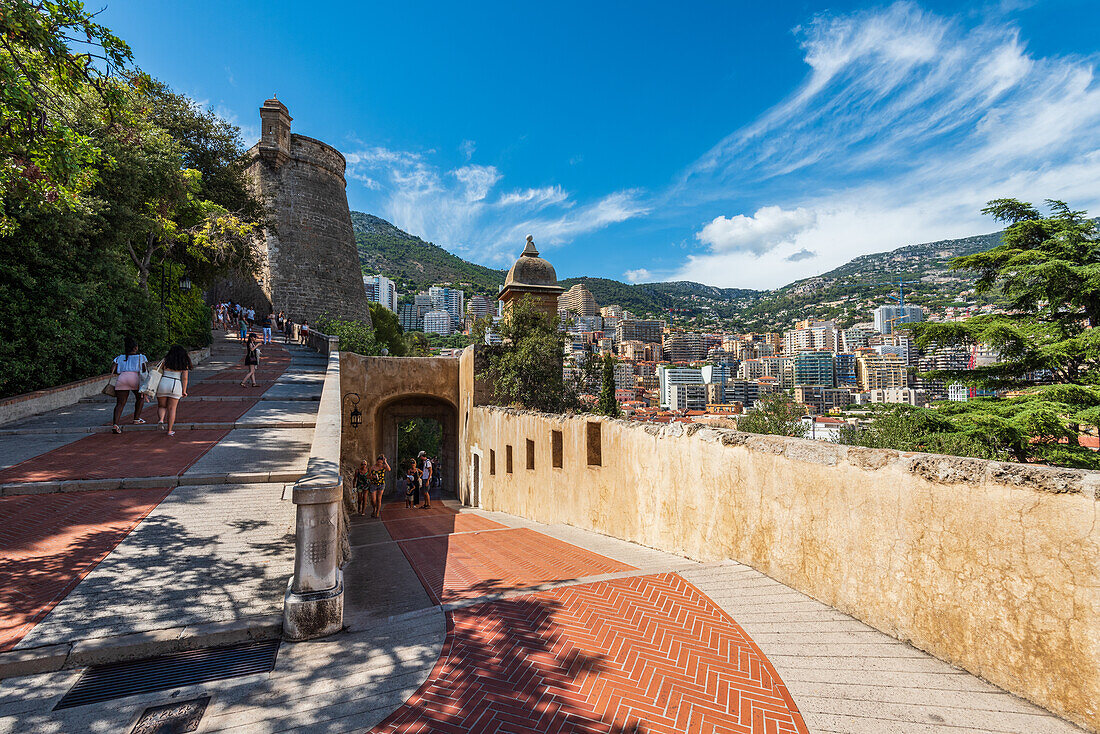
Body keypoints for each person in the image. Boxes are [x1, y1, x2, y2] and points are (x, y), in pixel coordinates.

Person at [110, 336, 148, 434]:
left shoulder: (119, 357)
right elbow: (144, 370)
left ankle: (115, 424)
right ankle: (136, 418)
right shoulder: (141, 357)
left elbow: (112, 369)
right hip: (135, 378)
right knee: (140, 398)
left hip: (122, 378)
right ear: (135, 348)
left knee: (120, 403)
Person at [156, 344, 192, 436]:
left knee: (161, 406)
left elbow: (157, 372)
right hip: (176, 384)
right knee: (172, 409)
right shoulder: (184, 362)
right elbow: (185, 378)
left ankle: (161, 419)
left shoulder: (165, 360)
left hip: (163, 383)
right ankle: (169, 430)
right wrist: (184, 391)